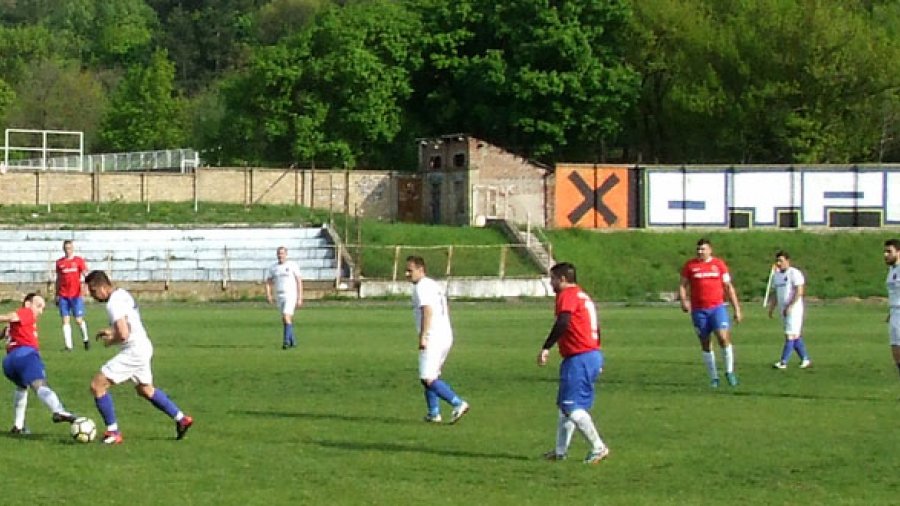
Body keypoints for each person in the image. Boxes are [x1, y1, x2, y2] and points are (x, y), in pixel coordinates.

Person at [84, 270, 193, 445]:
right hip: (143, 346)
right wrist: (112, 331)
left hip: (133, 350)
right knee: (145, 390)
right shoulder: (122, 294)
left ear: (103, 287)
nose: (92, 295)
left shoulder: (113, 304)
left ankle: (113, 432)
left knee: (97, 385)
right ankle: (181, 419)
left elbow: (124, 333)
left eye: (93, 291)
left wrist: (111, 340)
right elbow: (128, 323)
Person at [538, 262, 609, 464]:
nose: (550, 283)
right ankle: (560, 452)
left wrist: (546, 347)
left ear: (562, 279)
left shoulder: (567, 296)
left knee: (571, 406)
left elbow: (563, 322)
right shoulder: (582, 295)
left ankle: (598, 446)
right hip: (589, 354)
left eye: (552, 279)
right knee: (565, 406)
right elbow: (595, 326)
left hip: (580, 356)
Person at [1, 293, 78, 434]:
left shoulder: (14, 326)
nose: (40, 311)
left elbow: (6, 331)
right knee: (39, 384)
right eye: (38, 306)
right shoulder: (26, 312)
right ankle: (58, 410)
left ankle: (18, 426)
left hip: (8, 363)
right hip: (26, 355)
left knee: (22, 387)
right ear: (28, 304)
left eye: (43, 308)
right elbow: (11, 316)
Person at [405, 255, 469, 424]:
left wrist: (423, 336)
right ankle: (434, 413)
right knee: (431, 375)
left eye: (410, 270)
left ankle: (458, 403)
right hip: (445, 335)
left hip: (433, 337)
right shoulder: (433, 285)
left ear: (421, 269)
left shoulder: (421, 287)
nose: (407, 274)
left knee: (428, 377)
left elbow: (427, 311)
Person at [679, 238, 743, 387]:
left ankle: (729, 371)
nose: (700, 252)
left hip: (717, 308)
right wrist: (683, 300)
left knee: (723, 338)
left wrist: (737, 309)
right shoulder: (690, 266)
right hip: (699, 310)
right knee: (705, 343)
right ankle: (714, 377)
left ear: (710, 250)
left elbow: (728, 287)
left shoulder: (718, 265)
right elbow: (683, 285)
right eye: (698, 249)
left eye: (703, 249)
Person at [768, 251, 811, 369]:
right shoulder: (776, 275)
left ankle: (783, 362)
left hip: (794, 309)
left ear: (787, 261)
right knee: (795, 335)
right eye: (777, 261)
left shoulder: (794, 273)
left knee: (790, 335)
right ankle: (805, 359)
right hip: (783, 309)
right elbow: (775, 294)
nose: (778, 263)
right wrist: (772, 307)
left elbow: (799, 292)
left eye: (781, 261)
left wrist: (791, 306)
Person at [265, 246, 303, 349]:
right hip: (279, 295)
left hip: (290, 294)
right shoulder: (273, 267)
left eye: (282, 253)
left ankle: (285, 341)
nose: (280, 255)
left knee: (286, 316)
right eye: (279, 253)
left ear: (286, 254)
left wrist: (300, 297)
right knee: (285, 319)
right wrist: (269, 294)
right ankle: (293, 341)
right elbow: (268, 282)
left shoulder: (292, 265)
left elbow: (299, 281)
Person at [55, 240, 90, 351]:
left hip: (76, 295)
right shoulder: (59, 263)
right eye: (66, 248)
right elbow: (58, 279)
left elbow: (86, 275)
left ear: (73, 248)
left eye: (69, 248)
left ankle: (85, 339)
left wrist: (86, 287)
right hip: (63, 295)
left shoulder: (78, 261)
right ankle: (68, 346)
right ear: (63, 249)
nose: (68, 250)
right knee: (65, 320)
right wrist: (56, 293)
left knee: (78, 320)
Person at [884, 239, 900, 381]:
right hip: (895, 313)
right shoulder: (891, 270)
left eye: (889, 251)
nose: (885, 254)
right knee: (896, 353)